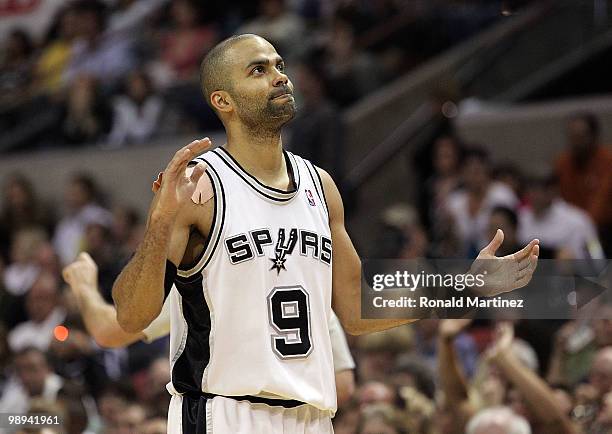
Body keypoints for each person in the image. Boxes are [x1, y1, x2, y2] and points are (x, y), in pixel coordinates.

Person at [110, 34, 539, 433]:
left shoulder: (320, 186)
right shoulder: (198, 188)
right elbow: (131, 315)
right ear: (223, 100)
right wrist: (160, 222)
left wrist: (464, 285)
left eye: (279, 65)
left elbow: (355, 307)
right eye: (258, 70)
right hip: (224, 412)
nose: (280, 76)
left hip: (312, 417)